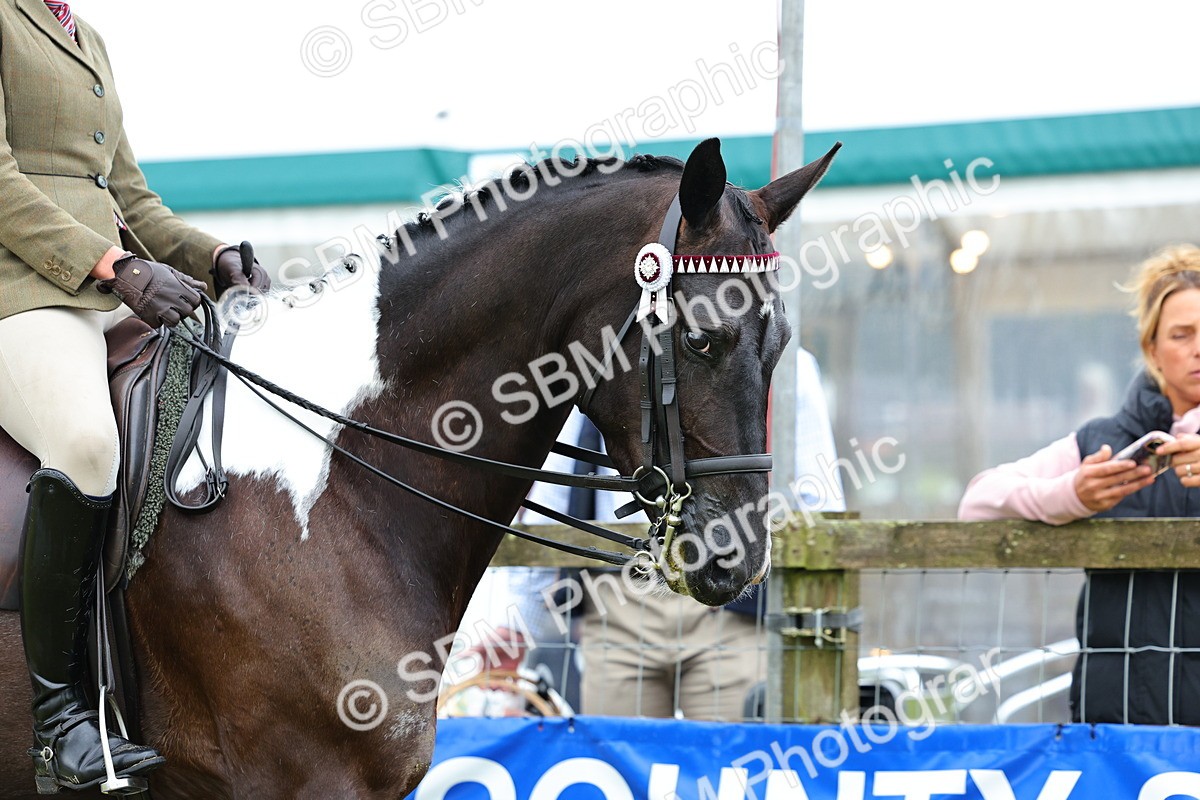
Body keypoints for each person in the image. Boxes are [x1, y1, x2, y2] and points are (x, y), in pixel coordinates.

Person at [0, 3, 269, 792]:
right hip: (22, 292)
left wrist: (210, 253)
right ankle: (58, 725)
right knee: (86, 445)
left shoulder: (87, 36)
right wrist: (114, 268)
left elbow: (127, 195)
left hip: (98, 286)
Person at [958, 244, 1200, 725]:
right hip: (1111, 722)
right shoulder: (1102, 442)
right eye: (1182, 334)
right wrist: (1071, 496)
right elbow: (977, 502)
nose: (1199, 347)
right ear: (1150, 348)